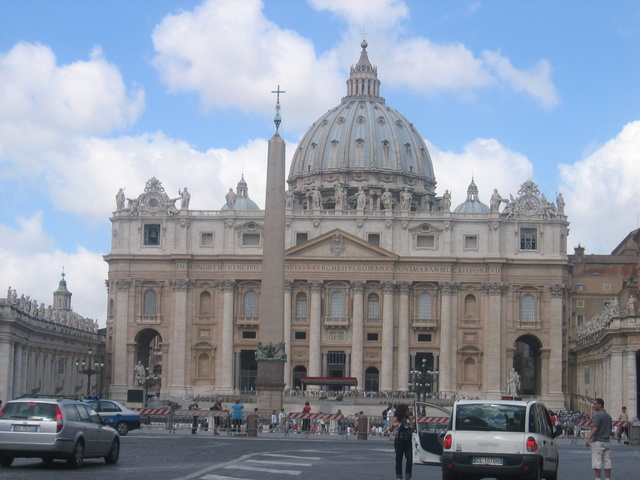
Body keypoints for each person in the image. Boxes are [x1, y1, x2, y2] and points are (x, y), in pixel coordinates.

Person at [383, 403, 414, 480]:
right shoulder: (396, 418)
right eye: (407, 409)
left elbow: (412, 427)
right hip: (399, 440)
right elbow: (391, 427)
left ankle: (408, 476)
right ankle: (399, 476)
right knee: (399, 459)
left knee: (409, 458)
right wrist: (388, 429)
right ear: (403, 410)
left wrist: (410, 425)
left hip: (407, 440)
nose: (408, 411)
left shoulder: (409, 418)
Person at [586, 397, 612, 480]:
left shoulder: (598, 415)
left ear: (600, 405)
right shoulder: (608, 416)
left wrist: (588, 438)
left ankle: (598, 479)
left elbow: (595, 428)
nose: (593, 406)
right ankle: (607, 479)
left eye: (594, 404)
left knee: (597, 462)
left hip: (598, 441)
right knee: (607, 461)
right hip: (607, 441)